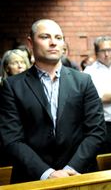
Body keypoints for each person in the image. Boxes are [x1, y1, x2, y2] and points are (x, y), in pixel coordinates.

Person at [0, 19, 105, 183]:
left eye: (58, 37)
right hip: (32, 178)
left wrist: (70, 169)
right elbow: (12, 138)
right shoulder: (13, 86)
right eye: (45, 37)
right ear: (30, 42)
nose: (53, 43)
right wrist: (47, 173)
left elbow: (96, 131)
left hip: (79, 175)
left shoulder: (83, 81)